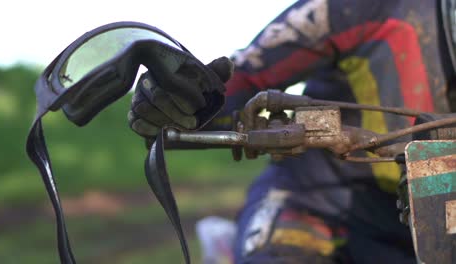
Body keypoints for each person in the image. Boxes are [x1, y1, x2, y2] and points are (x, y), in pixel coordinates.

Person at [128, 0, 456, 263]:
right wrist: (183, 99)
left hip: (426, 226)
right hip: (316, 200)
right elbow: (242, 79)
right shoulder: (356, 9)